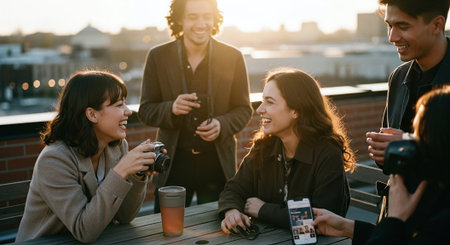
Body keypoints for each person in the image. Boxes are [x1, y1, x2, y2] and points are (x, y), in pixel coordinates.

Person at [16, 71, 159, 243]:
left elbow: (125, 217)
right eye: (119, 104)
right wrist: (121, 171)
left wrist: (137, 174)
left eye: (125, 103)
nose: (128, 111)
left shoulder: (117, 147)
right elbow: (83, 230)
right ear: (92, 114)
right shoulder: (54, 160)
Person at [138, 0, 252, 212]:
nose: (201, 23)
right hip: (173, 164)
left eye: (207, 16)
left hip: (217, 164)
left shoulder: (233, 56)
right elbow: (145, 110)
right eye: (192, 16)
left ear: (214, 18)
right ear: (180, 19)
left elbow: (244, 109)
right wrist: (171, 108)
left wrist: (222, 124)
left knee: (220, 230)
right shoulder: (158, 56)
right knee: (167, 232)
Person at [218, 68, 356, 234]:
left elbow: (323, 220)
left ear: (295, 110)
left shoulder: (327, 154)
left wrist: (264, 210)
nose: (260, 109)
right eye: (262, 101)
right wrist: (231, 211)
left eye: (269, 102)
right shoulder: (265, 146)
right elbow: (234, 189)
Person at [314, 85, 450, 244]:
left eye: (417, 137)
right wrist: (346, 227)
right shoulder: (437, 194)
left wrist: (395, 218)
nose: (410, 148)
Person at [366, 0, 450, 167]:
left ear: (437, 25)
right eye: (389, 25)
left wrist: (408, 146)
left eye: (402, 26)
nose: (392, 37)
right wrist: (385, 150)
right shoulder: (398, 77)